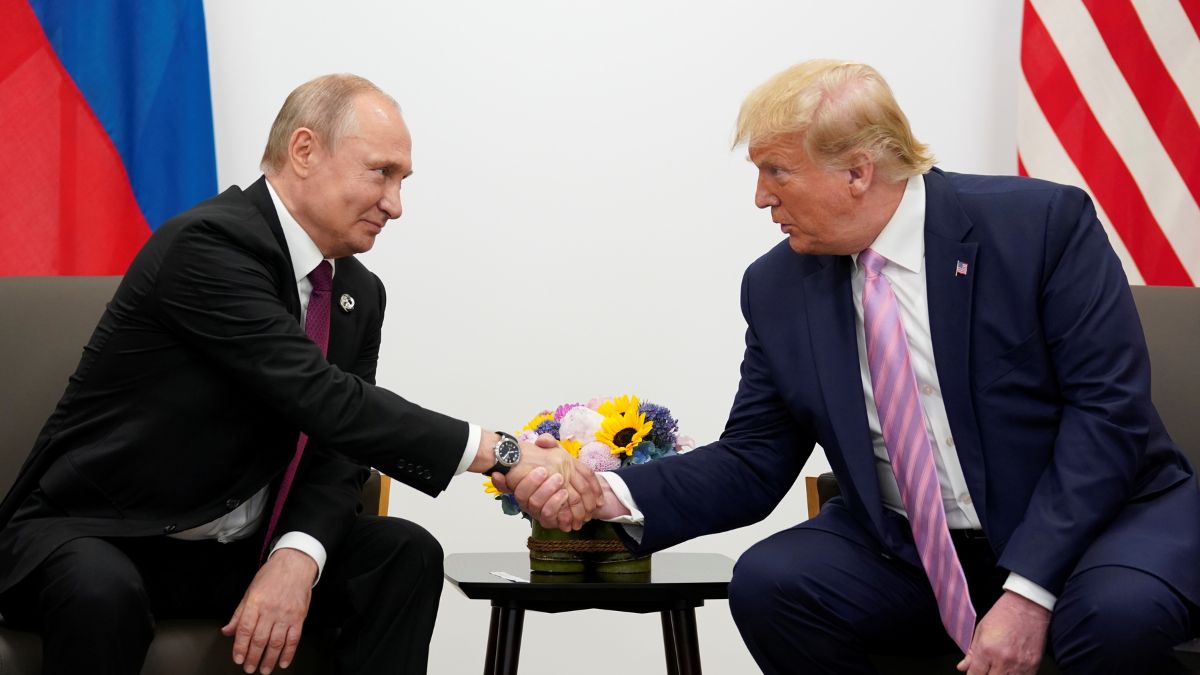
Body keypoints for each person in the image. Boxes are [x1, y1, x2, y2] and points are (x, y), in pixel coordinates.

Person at [500, 60, 1200, 674]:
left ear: (858, 171)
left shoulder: (1040, 226)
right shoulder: (777, 286)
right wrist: (608, 494)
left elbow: (1106, 415)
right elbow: (753, 460)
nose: (760, 198)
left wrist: (1030, 587)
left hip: (1099, 525)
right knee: (774, 584)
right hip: (916, 548)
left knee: (1115, 617)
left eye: (776, 171)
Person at [0, 73, 601, 675]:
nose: (395, 204)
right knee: (102, 593)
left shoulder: (357, 293)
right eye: (381, 172)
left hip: (233, 549)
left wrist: (296, 557)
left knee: (402, 554)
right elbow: (323, 399)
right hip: (102, 535)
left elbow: (340, 450)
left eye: (401, 180)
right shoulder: (208, 245)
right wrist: (503, 453)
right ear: (305, 151)